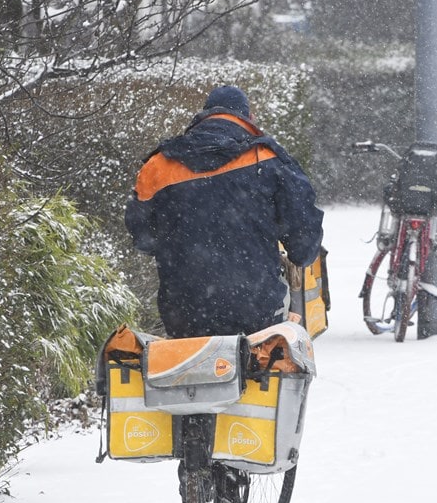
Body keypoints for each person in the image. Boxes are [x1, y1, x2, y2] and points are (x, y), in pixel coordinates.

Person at [125, 85, 324, 339]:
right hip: (256, 307)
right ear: (248, 119)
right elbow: (304, 242)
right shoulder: (268, 159)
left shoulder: (160, 165)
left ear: (203, 116)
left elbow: (142, 238)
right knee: (264, 367)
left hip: (184, 310)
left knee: (193, 368)